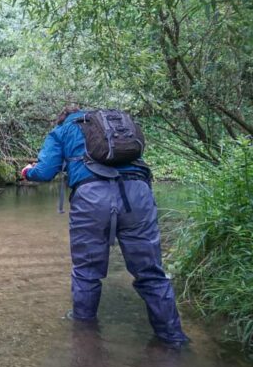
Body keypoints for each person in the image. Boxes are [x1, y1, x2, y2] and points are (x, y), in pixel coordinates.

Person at [20, 105, 190, 347]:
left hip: (92, 198)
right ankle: (173, 338)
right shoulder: (115, 126)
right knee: (151, 273)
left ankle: (85, 341)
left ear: (61, 118)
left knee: (87, 272)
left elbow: (46, 172)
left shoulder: (62, 130)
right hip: (137, 195)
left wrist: (28, 172)